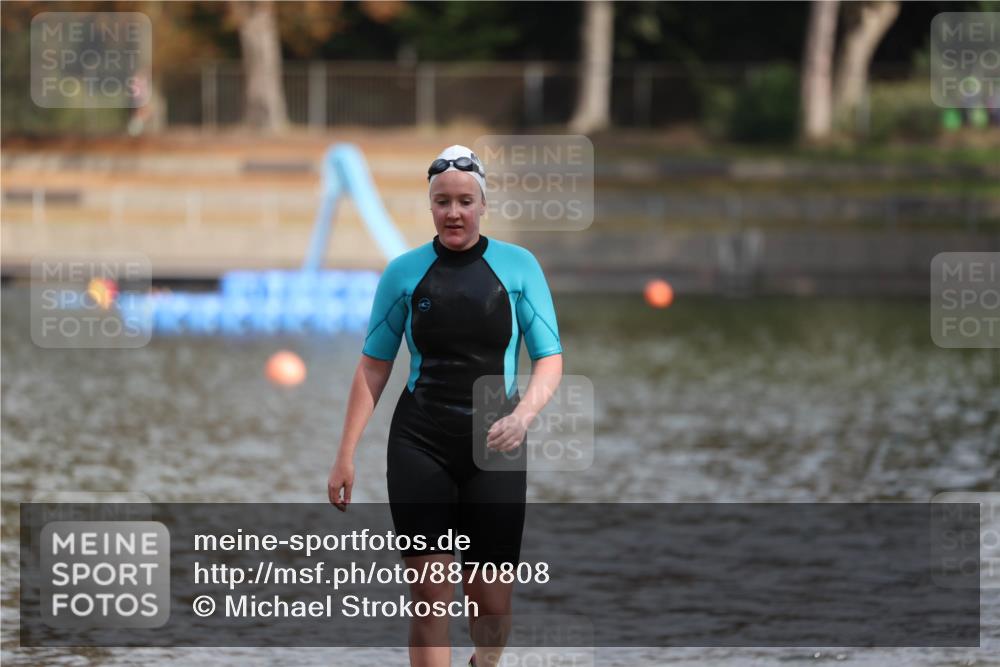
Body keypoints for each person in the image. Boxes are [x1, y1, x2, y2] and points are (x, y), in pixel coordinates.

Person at [328, 145, 563, 667]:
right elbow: (373, 366)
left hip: (494, 445)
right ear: (430, 206)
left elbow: (550, 359)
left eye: (464, 201)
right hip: (420, 442)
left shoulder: (519, 267)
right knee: (430, 597)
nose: (453, 213)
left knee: (491, 607)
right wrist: (345, 454)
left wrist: (523, 416)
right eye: (442, 202)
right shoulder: (403, 273)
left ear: (483, 205)